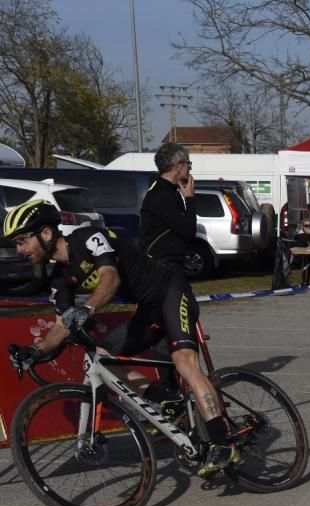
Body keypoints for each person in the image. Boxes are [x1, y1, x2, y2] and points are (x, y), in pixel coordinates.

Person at [5, 200, 233, 478]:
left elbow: (109, 278)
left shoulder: (88, 237)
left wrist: (87, 309)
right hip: (148, 310)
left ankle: (223, 444)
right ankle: (166, 400)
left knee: (184, 362)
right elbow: (60, 327)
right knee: (103, 358)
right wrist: (34, 351)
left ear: (47, 234)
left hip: (171, 292)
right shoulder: (59, 279)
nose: (19, 249)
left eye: (23, 240)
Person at [139, 142, 196, 274]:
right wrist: (190, 199)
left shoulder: (170, 191)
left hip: (171, 265)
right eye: (188, 164)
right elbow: (188, 232)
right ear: (178, 166)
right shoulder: (160, 195)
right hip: (161, 269)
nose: (190, 168)